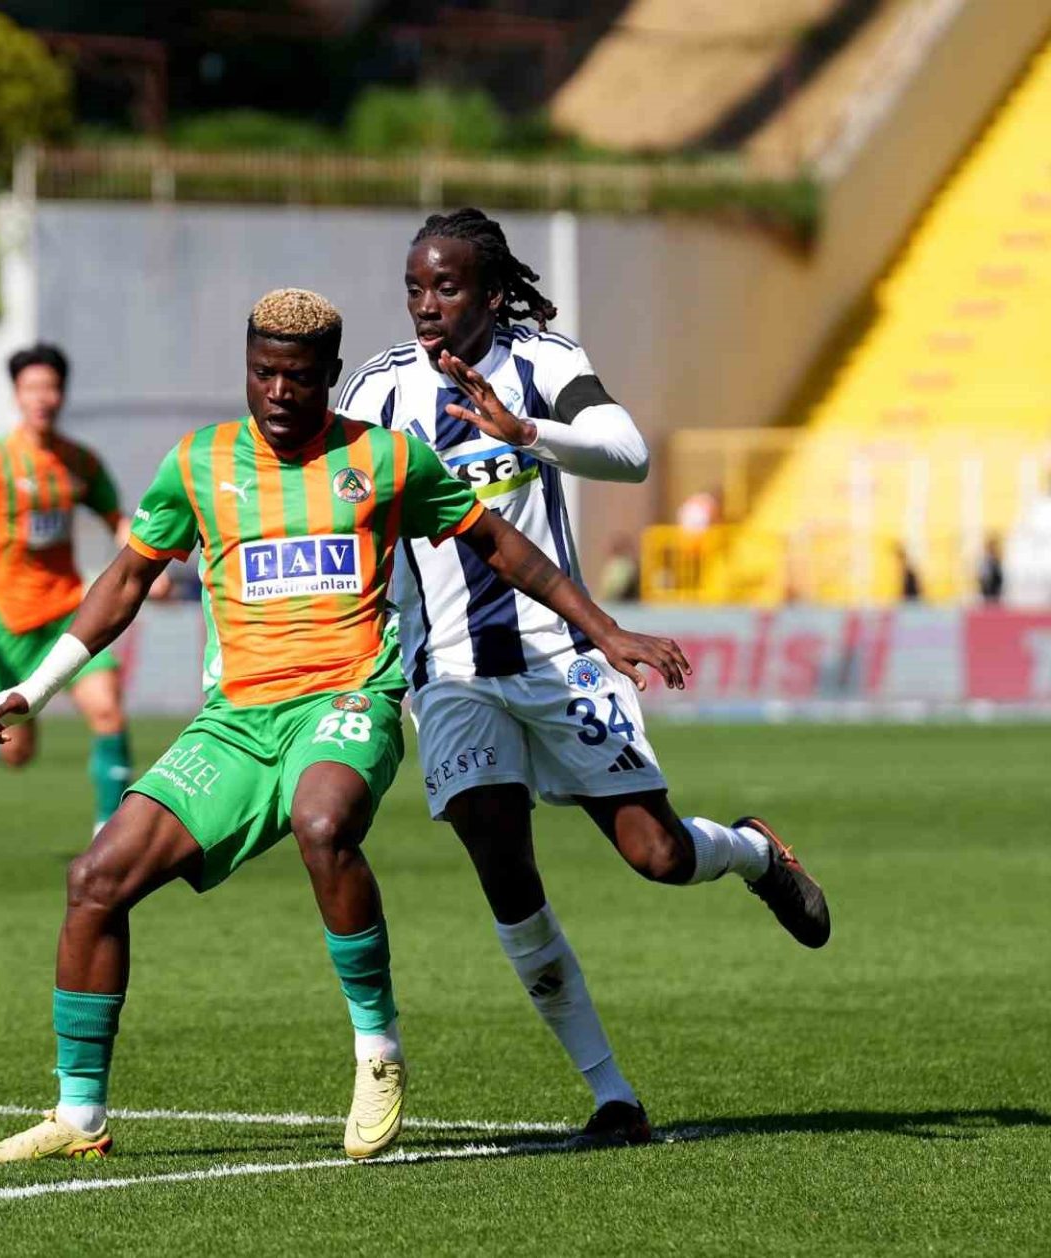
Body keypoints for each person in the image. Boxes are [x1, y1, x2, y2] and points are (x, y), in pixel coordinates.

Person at [0, 289, 690, 1165]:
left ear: (331, 375)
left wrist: (605, 630)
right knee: (94, 881)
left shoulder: (385, 459)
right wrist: (34, 690)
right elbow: (124, 582)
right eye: (262, 372)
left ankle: (378, 1050)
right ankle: (79, 1115)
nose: (278, 392)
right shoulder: (199, 463)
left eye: (298, 377)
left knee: (323, 821)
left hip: (348, 701)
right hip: (235, 723)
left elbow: (500, 544)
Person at [337, 208, 830, 1148]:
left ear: (491, 293)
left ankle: (754, 853)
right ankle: (613, 1097)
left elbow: (628, 452)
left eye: (446, 287)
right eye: (414, 289)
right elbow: (350, 507)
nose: (426, 305)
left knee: (658, 856)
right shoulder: (381, 387)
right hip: (449, 671)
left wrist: (527, 432)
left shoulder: (543, 361)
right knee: (504, 871)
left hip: (561, 656)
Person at [0, 345, 145, 832]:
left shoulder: (80, 462)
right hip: (7, 621)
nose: (42, 398)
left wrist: (153, 563)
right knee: (17, 753)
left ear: (62, 394)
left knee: (108, 710)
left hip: (68, 612)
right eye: (32, 388)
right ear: (17, 395)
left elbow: (117, 519)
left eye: (51, 387)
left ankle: (109, 834)